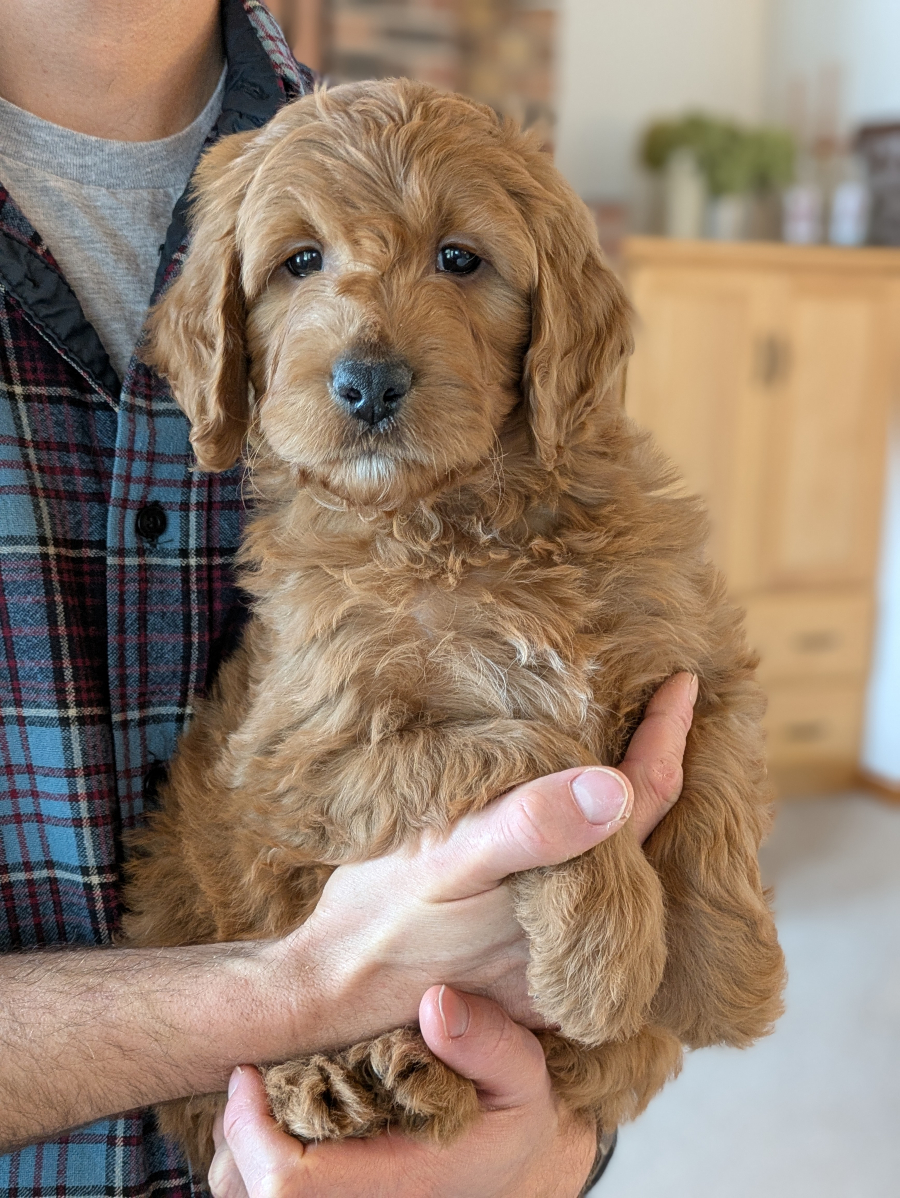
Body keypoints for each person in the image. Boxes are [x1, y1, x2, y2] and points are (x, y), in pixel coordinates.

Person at [0, 1, 695, 1194]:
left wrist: (546, 1147)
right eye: (301, 264)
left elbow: (616, 813)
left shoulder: (449, 160)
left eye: (459, 261)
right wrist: (290, 996)